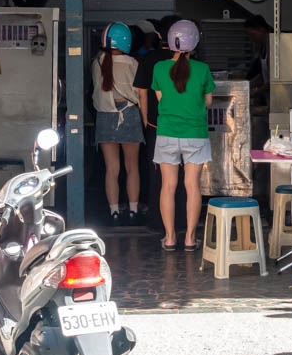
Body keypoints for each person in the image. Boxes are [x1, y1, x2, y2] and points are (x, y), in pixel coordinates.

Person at [150, 19, 215, 251]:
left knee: (168, 186)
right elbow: (207, 101)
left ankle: (169, 238)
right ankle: (189, 238)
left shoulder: (158, 68)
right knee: (192, 186)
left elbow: (159, 98)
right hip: (195, 134)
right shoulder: (203, 69)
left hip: (167, 132)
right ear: (194, 43)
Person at [91, 22, 145, 226]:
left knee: (111, 169)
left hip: (105, 117)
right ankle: (132, 209)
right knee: (132, 167)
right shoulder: (132, 63)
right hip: (129, 114)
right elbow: (141, 92)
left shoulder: (96, 62)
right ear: (126, 40)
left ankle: (113, 211)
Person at [133, 15, 182, 232]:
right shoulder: (185, 60)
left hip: (156, 125)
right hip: (185, 125)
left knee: (157, 176)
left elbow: (142, 93)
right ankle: (181, 225)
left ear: (160, 34)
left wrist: (146, 121)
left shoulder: (151, 59)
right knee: (183, 177)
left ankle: (158, 223)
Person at [243, 15, 272, 107]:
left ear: (261, 29)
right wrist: (245, 87)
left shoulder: (274, 48)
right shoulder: (262, 48)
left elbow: (276, 82)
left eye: (252, 35)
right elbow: (264, 76)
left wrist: (256, 92)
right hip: (269, 100)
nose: (252, 39)